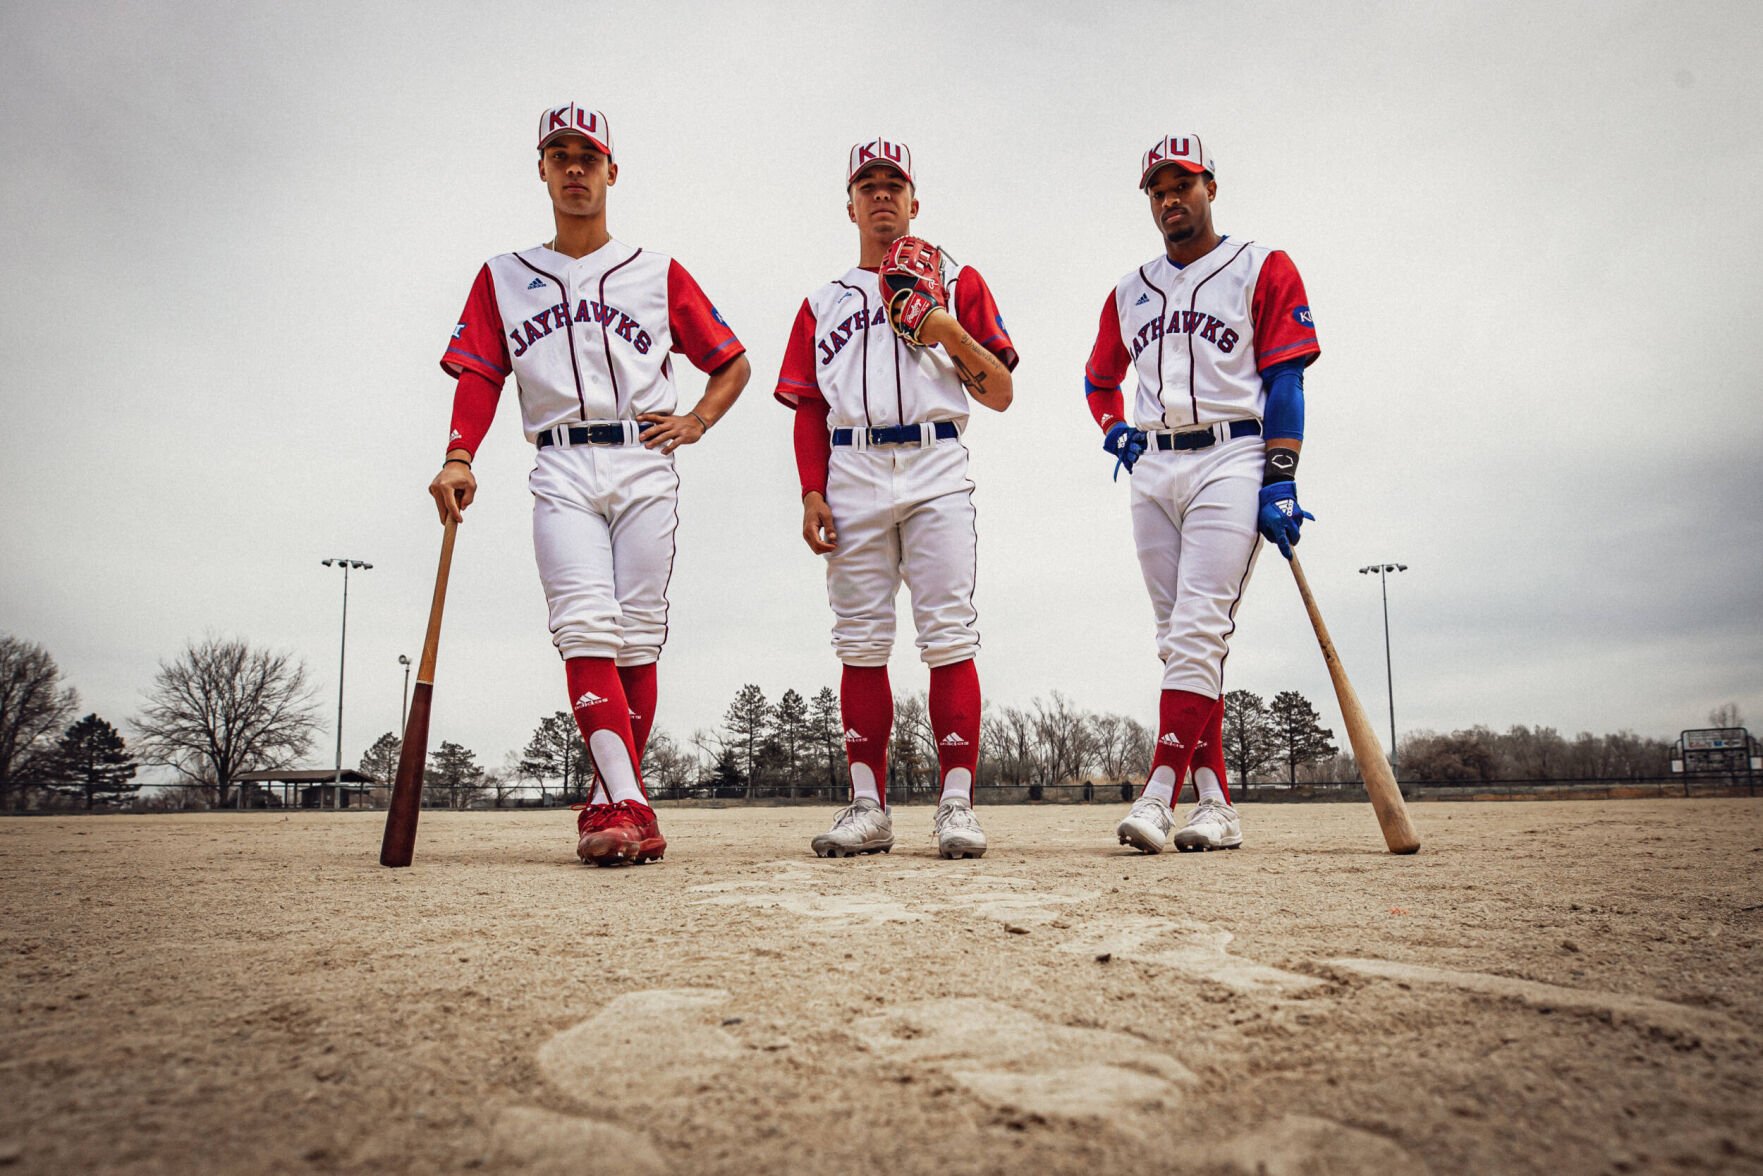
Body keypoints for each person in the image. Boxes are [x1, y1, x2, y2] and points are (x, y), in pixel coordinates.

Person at [428, 103, 750, 866]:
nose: (574, 167)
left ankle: (611, 804)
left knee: (637, 638)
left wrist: (699, 420)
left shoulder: (655, 269)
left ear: (611, 171)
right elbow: (479, 373)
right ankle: (630, 804)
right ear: (541, 169)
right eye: (559, 154)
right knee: (583, 625)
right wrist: (459, 455)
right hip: (562, 462)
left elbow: (730, 362)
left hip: (643, 457)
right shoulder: (502, 276)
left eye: (588, 156)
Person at [774, 139, 1017, 859]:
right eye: (867, 185)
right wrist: (810, 490)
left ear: (915, 202)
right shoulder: (823, 302)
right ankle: (866, 806)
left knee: (948, 634)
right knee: (859, 641)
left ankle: (954, 805)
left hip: (936, 457)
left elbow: (999, 391)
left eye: (894, 184)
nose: (881, 195)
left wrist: (943, 327)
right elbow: (808, 408)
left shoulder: (959, 279)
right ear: (849, 204)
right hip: (850, 465)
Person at [1085, 133, 1319, 853]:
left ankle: (1157, 796)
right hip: (1152, 467)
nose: (1168, 200)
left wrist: (1279, 476)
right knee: (1177, 644)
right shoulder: (1128, 289)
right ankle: (1215, 806)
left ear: (1209, 187)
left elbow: (1286, 378)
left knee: (1196, 632)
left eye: (1180, 185)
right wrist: (1113, 426)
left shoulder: (1260, 265)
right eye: (1156, 190)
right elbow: (1098, 379)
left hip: (1232, 455)